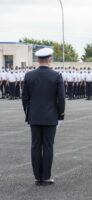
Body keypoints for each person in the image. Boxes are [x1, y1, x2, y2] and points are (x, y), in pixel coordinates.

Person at [22, 48, 65, 186]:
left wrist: (28, 113)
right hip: (50, 116)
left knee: (35, 146)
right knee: (48, 146)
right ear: (50, 59)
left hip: (34, 116)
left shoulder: (29, 75)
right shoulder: (56, 75)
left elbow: (24, 98)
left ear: (38, 60)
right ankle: (45, 177)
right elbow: (61, 99)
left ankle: (37, 177)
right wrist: (60, 116)